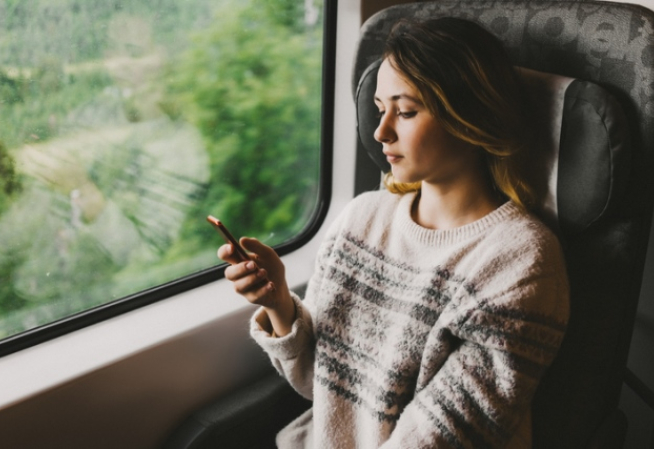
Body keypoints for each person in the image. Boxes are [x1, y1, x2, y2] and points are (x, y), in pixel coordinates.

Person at [218, 17, 569, 449]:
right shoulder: (360, 220)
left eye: (405, 112)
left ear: (469, 114)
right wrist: (278, 304)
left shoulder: (520, 261)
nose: (381, 132)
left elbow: (439, 437)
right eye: (380, 109)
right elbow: (321, 386)